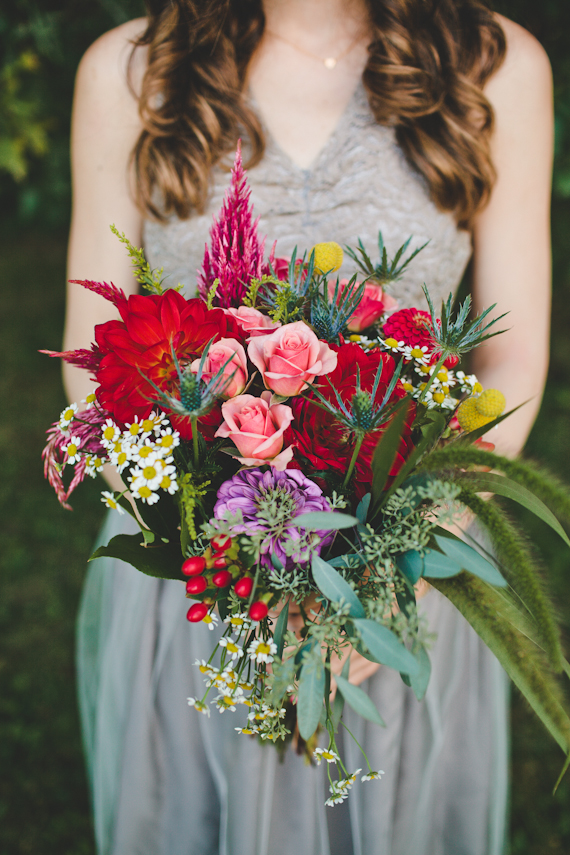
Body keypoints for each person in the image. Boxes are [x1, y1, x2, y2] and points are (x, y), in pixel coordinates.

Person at [63, 1, 553, 854]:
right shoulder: (130, 72)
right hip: (198, 577)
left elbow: (508, 362)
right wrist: (232, 557)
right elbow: (88, 368)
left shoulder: (496, 67)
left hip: (412, 567)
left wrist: (398, 558)